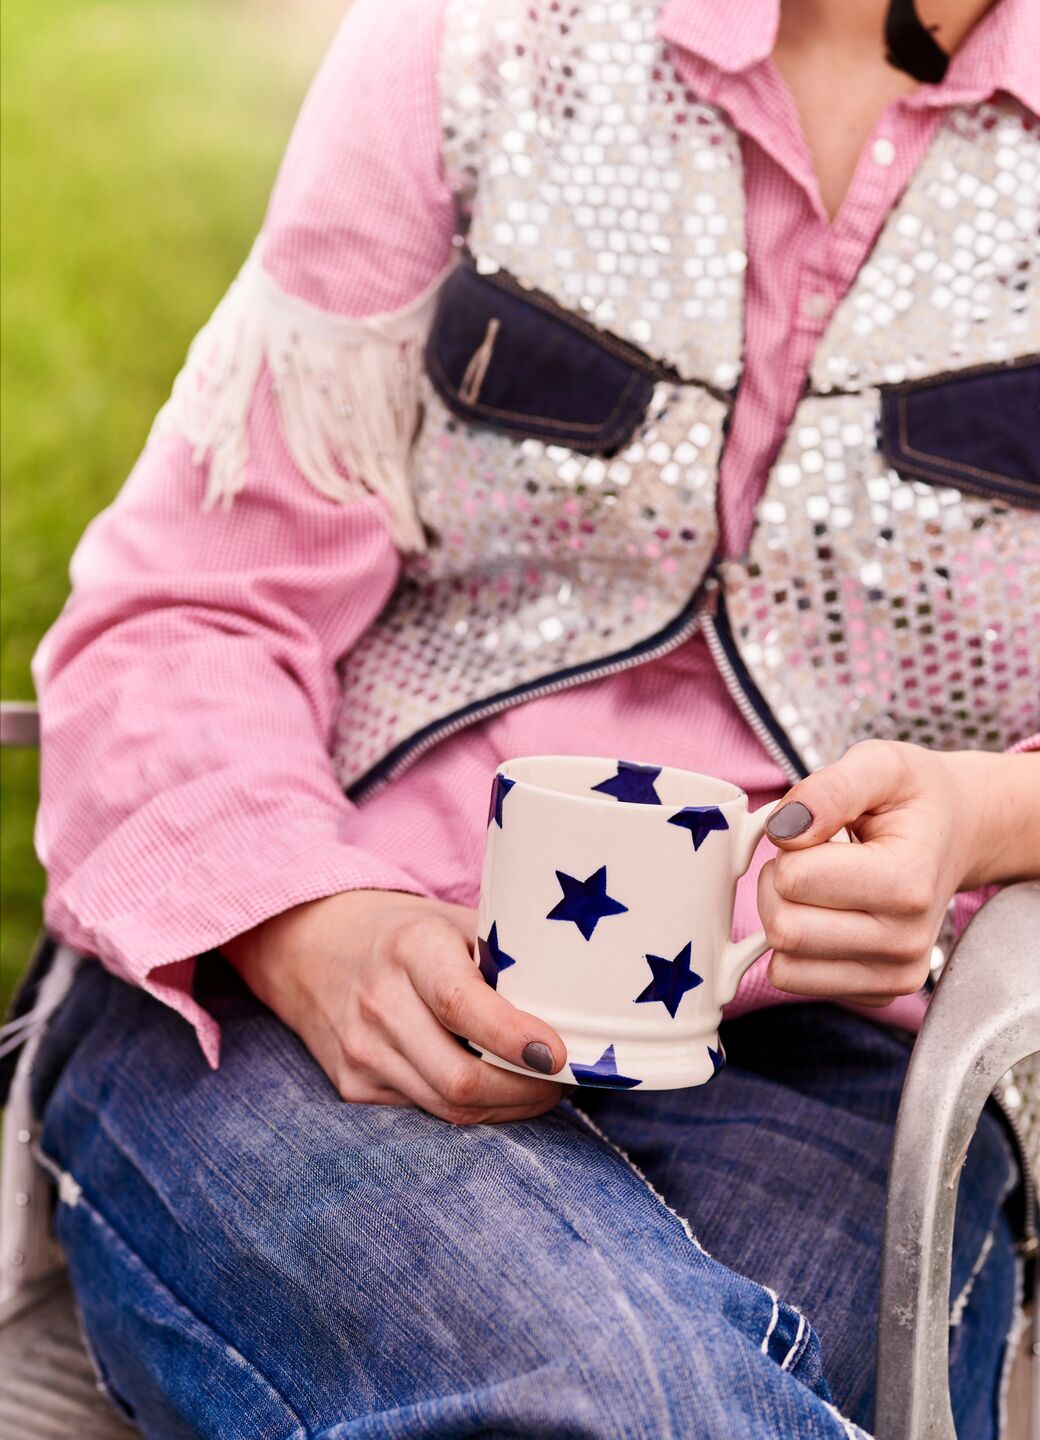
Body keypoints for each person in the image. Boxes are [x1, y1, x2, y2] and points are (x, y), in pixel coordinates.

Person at [3, 0, 1038, 1434]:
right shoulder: (473, 40)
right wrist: (316, 932)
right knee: (635, 1397)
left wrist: (983, 818)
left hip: (841, 1064)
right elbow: (185, 609)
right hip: (302, 999)